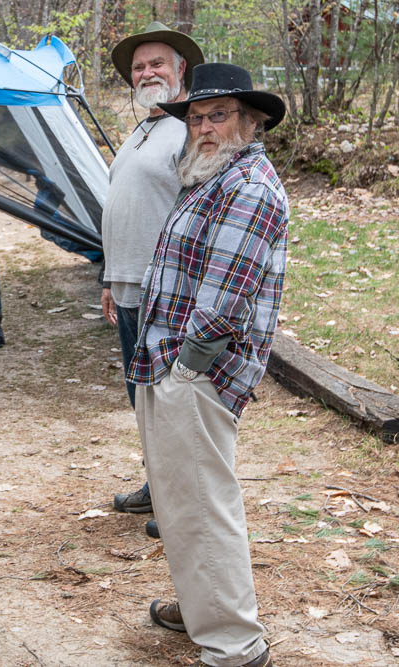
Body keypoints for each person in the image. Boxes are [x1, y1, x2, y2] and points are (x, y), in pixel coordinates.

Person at [131, 63, 288, 667]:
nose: (203, 127)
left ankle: (234, 643)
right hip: (171, 362)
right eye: (196, 117)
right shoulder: (209, 176)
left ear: (250, 122)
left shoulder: (249, 186)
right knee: (179, 500)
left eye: (217, 115)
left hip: (198, 371)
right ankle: (202, 607)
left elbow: (226, 299)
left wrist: (187, 370)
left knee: (202, 501)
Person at [103, 22, 203, 534]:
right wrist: (108, 276)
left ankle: (180, 505)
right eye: (139, 67)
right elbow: (128, 204)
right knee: (141, 394)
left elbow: (199, 211)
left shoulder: (192, 128)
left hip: (167, 288)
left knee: (171, 399)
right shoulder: (144, 128)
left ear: (180, 69)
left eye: (157, 64)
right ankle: (157, 485)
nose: (147, 73)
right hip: (127, 285)